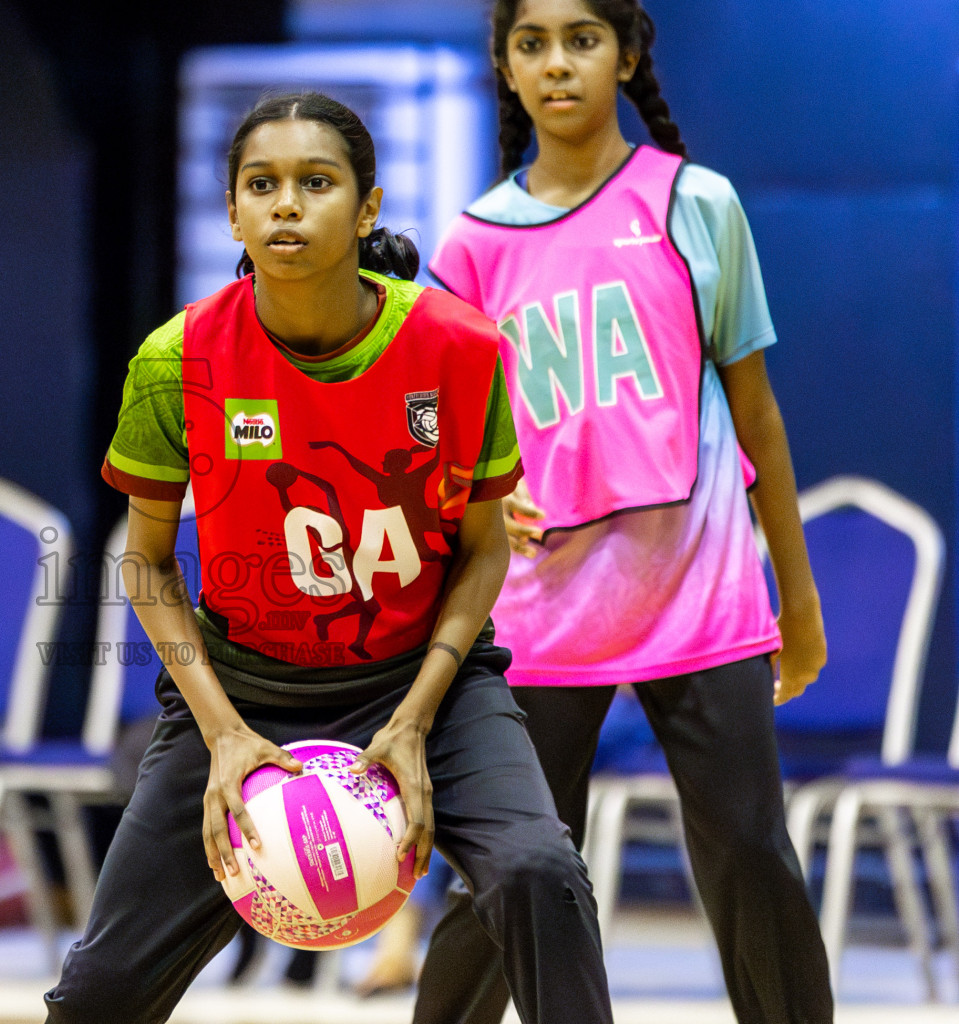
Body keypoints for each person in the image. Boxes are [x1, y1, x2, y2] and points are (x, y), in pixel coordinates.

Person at [46, 91, 612, 1024]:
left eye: (316, 183)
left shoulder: (460, 348)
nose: (285, 205)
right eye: (260, 185)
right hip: (245, 691)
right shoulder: (176, 357)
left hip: (425, 678)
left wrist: (419, 714)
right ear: (231, 210)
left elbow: (480, 553)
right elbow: (145, 563)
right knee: (97, 994)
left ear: (368, 205)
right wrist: (224, 733)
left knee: (537, 869)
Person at [420, 2, 834, 1022]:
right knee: (508, 876)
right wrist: (474, 484)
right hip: (539, 611)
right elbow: (434, 431)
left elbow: (758, 420)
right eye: (530, 44)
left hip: (701, 591)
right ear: (506, 69)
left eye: (581, 38)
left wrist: (800, 597)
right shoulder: (471, 245)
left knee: (748, 851)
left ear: (627, 54)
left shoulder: (696, 202)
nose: (556, 63)